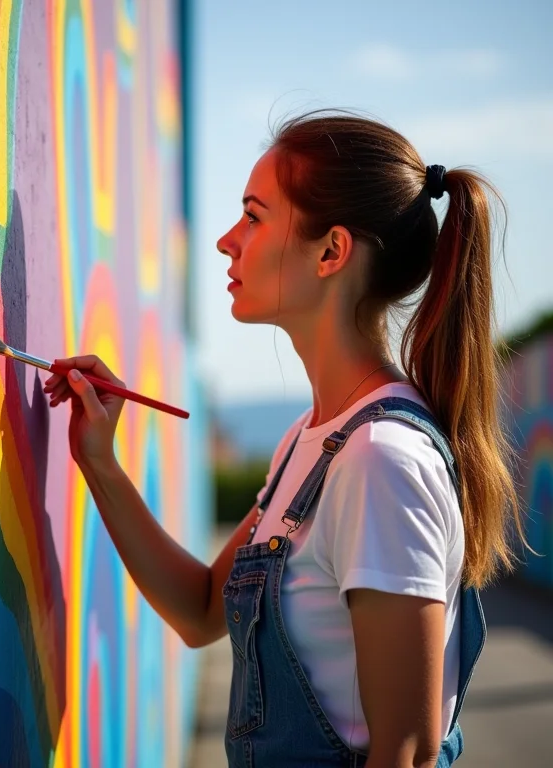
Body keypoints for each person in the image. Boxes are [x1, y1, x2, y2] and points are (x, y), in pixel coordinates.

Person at [42, 111, 525, 767]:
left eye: (253, 216)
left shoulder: (379, 461)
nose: (226, 241)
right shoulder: (311, 440)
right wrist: (99, 462)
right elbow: (201, 611)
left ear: (331, 252)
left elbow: (405, 754)